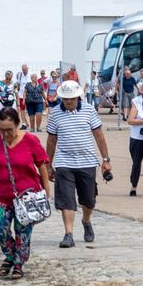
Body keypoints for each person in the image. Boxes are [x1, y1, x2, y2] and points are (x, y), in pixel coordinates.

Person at [0, 107, 51, 279]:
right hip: (1, 193)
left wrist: (46, 189)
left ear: (18, 124)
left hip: (27, 195)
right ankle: (11, 255)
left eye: (9, 130)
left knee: (23, 231)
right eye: (2, 130)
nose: (5, 134)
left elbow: (42, 164)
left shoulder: (30, 140)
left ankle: (18, 262)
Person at [44, 80, 113, 248]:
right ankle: (68, 234)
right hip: (64, 162)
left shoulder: (89, 110)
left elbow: (99, 135)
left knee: (88, 199)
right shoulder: (55, 114)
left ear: (78, 97)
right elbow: (51, 140)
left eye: (72, 98)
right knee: (66, 199)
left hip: (87, 161)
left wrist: (105, 160)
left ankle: (86, 220)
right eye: (65, 99)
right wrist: (48, 164)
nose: (68, 102)